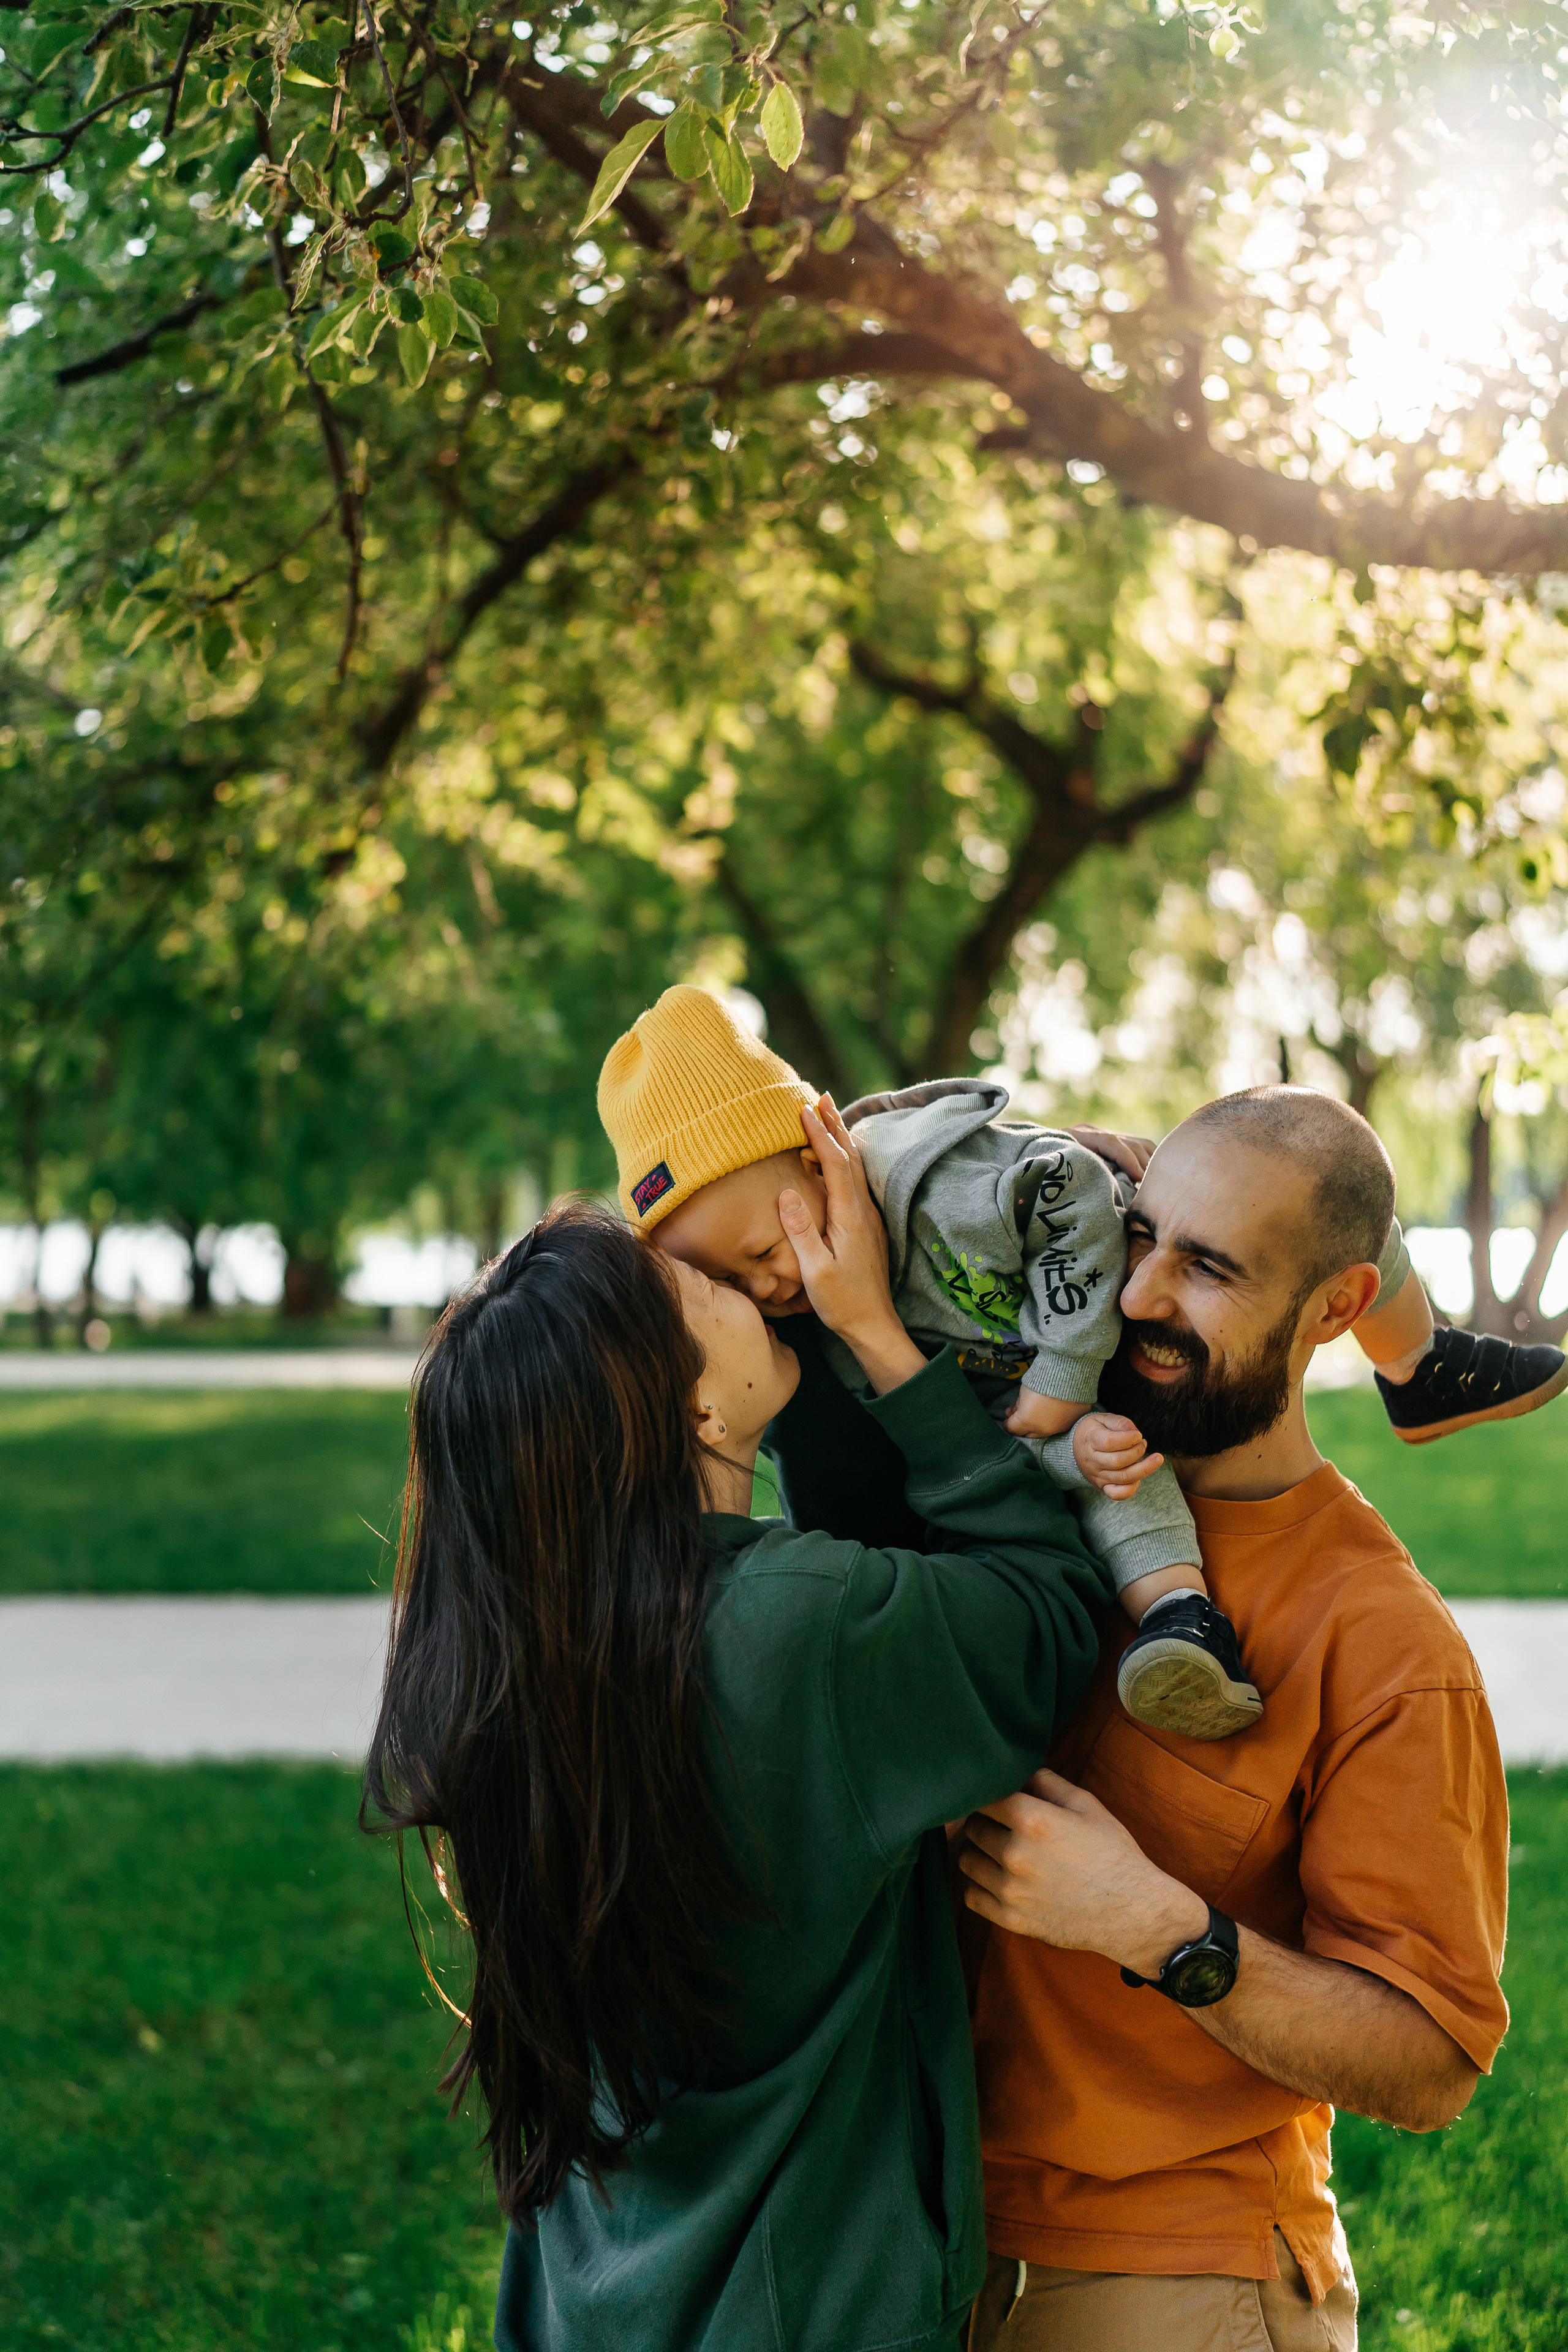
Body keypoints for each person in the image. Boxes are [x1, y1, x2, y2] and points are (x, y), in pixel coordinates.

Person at [361, 1105, 1118, 2352]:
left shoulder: (509, 1683)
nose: (732, 1281)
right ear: (696, 1416)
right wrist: (879, 1337)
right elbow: (1044, 1621)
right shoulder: (796, 1628)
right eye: (691, 1286)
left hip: (586, 2298)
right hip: (810, 2308)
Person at [597, 986, 1564, 1740]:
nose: (768, 1286)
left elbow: (1067, 1193)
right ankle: (1182, 1623)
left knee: (1308, 1181)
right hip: (1038, 1428)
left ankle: (1420, 1366)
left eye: (768, 1250)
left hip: (1071, 1297)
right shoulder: (796, 1341)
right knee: (1115, 1469)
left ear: (820, 1156)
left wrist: (1060, 1374)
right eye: (726, 1279)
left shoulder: (931, 1190)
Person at [955, 1087, 1510, 2352]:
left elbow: (1429, 2059)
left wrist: (1160, 1929)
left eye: (1206, 1267)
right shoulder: (1022, 1485)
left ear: (1334, 1310)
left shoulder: (1379, 1639)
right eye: (1139, 1237)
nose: (1141, 1294)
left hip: (1175, 2273)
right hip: (919, 2237)